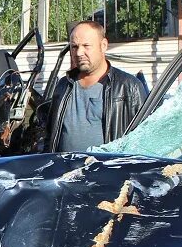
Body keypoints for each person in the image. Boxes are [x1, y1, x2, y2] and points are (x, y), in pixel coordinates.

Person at [47, 19, 147, 151]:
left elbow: (144, 139)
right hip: (65, 170)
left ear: (103, 45)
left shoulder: (129, 87)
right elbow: (49, 135)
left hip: (109, 170)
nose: (79, 53)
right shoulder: (63, 86)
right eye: (74, 46)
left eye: (86, 46)